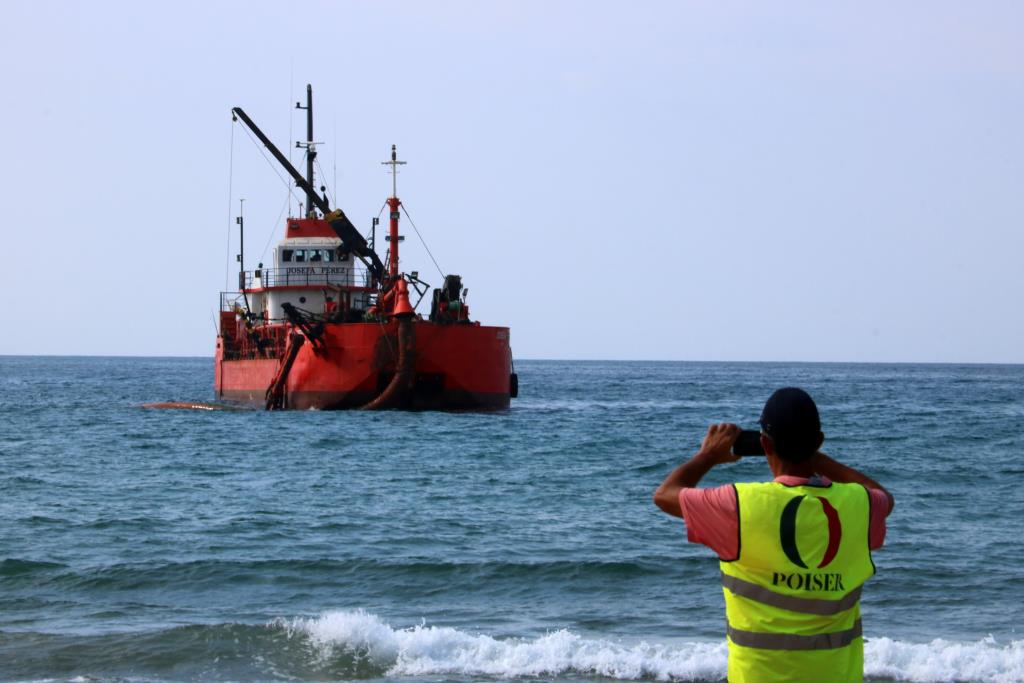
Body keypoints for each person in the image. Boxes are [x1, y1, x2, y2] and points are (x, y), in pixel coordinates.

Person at [653, 388, 894, 683]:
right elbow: (883, 497)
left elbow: (665, 495)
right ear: (818, 442)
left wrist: (707, 456)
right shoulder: (858, 504)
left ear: (765, 444)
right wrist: (815, 458)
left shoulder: (740, 505)